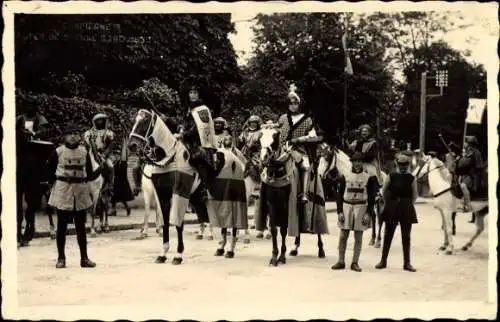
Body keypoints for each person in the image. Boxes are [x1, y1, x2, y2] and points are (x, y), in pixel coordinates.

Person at [46, 126, 96, 269]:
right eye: (69, 134)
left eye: (75, 134)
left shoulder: (84, 152)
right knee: (61, 227)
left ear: (79, 137)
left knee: (81, 227)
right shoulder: (58, 152)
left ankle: (84, 259)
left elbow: (91, 173)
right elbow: (49, 171)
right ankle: (61, 258)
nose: (73, 137)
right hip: (63, 190)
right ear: (64, 137)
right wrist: (54, 186)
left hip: (79, 191)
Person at [331, 152, 378, 272]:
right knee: (343, 236)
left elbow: (372, 198)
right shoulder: (344, 176)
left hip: (361, 207)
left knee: (358, 237)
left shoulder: (369, 178)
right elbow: (339, 195)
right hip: (347, 206)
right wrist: (340, 212)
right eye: (355, 161)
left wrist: (368, 213)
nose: (357, 163)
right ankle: (341, 261)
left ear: (362, 163)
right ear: (351, 162)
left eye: (360, 161)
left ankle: (355, 262)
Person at [16, 105, 52, 246]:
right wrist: (21, 132)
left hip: (34, 143)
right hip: (22, 144)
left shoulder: (40, 118)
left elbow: (45, 130)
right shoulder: (19, 118)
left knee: (40, 154)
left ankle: (44, 178)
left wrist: (35, 133)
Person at [375, 154, 418, 272]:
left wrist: (407, 204)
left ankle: (407, 263)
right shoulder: (391, 176)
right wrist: (389, 203)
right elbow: (383, 191)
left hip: (406, 208)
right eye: (400, 165)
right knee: (388, 235)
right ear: (397, 165)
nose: (403, 167)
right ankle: (383, 261)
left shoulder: (412, 178)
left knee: (406, 236)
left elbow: (415, 195)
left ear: (408, 165)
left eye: (405, 165)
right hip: (392, 207)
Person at [278, 85, 318, 202]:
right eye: (291, 103)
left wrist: (299, 139)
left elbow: (313, 135)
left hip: (299, 149)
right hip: (283, 148)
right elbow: (278, 130)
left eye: (295, 103)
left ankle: (304, 194)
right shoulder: (283, 118)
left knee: (305, 166)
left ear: (299, 104)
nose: (293, 106)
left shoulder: (306, 119)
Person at [83, 113, 116, 188]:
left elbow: (111, 145)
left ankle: (110, 184)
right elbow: (86, 144)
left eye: (101, 120)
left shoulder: (109, 133)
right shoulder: (89, 133)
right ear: (94, 122)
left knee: (110, 166)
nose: (100, 122)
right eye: (98, 120)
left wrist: (104, 154)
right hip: (91, 153)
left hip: (105, 154)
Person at [456, 136, 485, 214]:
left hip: (472, 175)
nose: (464, 144)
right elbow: (461, 164)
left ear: (470, 144)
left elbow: (480, 166)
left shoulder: (476, 153)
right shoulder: (466, 152)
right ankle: (463, 203)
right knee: (460, 187)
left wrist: (480, 179)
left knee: (463, 186)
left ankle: (468, 205)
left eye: (465, 142)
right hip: (464, 175)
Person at [110, 137, 134, 216]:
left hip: (121, 182)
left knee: (121, 198)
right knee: (114, 197)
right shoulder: (116, 163)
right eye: (115, 154)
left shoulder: (122, 163)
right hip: (117, 182)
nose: (115, 156)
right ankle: (114, 210)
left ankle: (127, 208)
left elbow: (122, 172)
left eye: (117, 154)